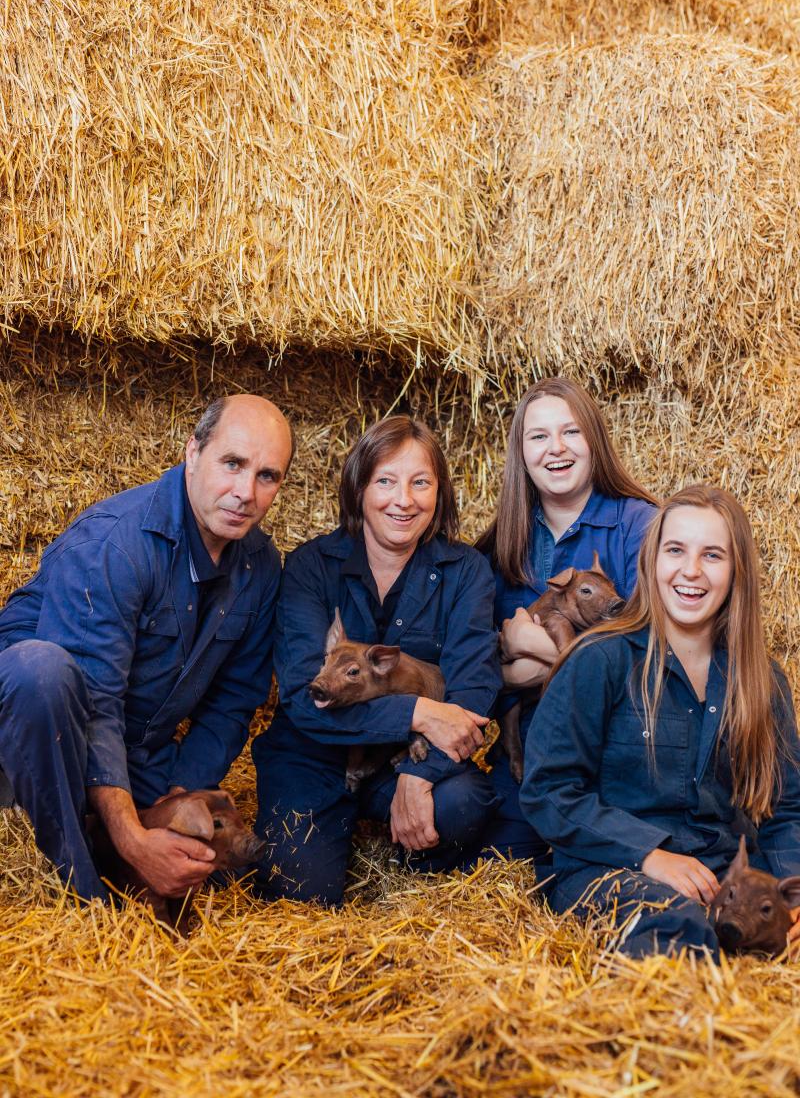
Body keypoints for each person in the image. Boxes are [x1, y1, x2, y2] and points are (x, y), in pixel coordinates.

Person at [0, 394, 293, 903]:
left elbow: (233, 703)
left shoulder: (261, 567)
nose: (246, 491)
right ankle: (85, 898)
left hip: (134, 747)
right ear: (192, 452)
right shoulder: (116, 544)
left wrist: (174, 803)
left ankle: (106, 837)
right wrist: (134, 841)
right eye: (232, 463)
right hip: (36, 733)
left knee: (218, 869)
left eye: (267, 476)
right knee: (40, 670)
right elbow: (96, 706)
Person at [522, 485, 800, 958]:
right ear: (652, 561)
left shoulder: (762, 679)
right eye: (676, 550)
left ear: (736, 574)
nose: (690, 571)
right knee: (680, 929)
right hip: (614, 868)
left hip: (723, 875)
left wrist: (791, 892)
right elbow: (549, 790)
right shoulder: (600, 659)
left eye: (712, 555)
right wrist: (650, 854)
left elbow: (787, 807)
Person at [252, 415, 501, 905]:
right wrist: (418, 712)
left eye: (421, 483)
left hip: (401, 759)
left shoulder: (466, 571)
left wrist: (417, 774)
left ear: (440, 493)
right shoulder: (309, 567)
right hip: (314, 754)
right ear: (359, 487)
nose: (403, 500)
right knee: (297, 892)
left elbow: (473, 691)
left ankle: (408, 858)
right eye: (385, 481)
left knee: (464, 804)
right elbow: (307, 700)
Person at [474, 377, 657, 864]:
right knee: (488, 864)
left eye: (571, 432)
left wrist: (541, 652)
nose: (556, 449)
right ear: (521, 453)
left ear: (594, 440)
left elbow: (656, 653)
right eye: (538, 437)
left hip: (623, 745)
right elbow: (467, 665)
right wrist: (511, 670)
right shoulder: (499, 545)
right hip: (532, 749)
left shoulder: (641, 526)